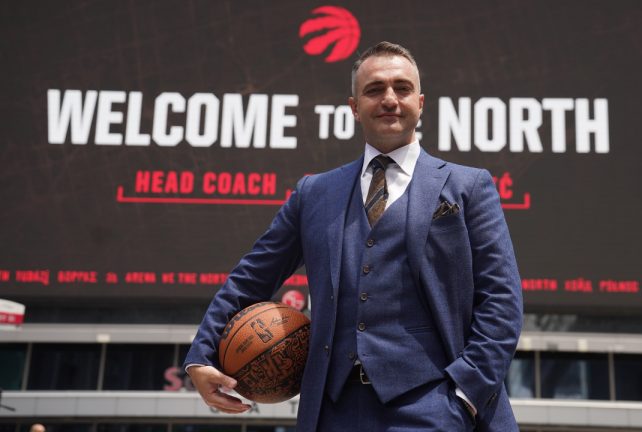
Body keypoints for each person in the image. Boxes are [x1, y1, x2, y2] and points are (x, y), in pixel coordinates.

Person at [184, 41, 523, 431]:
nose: (390, 99)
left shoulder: (469, 186)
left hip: (434, 406)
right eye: (375, 89)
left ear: (421, 102)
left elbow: (501, 300)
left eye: (402, 88)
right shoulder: (314, 193)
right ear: (354, 107)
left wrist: (463, 396)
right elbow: (252, 276)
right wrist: (201, 356)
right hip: (332, 410)